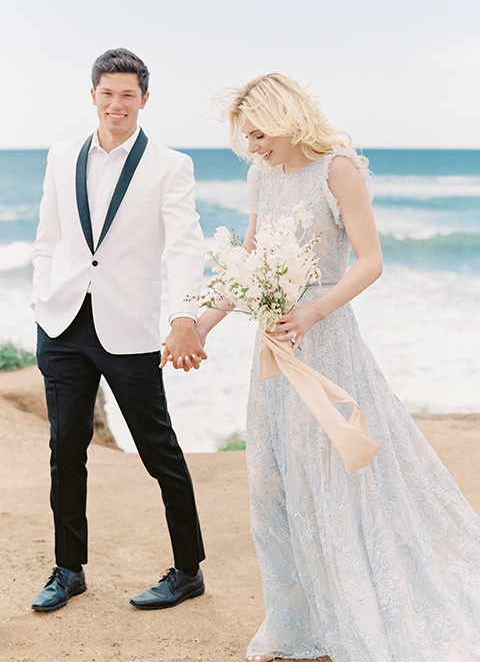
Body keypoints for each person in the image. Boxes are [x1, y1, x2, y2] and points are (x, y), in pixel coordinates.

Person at [196, 73, 480, 662]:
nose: (253, 147)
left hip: (325, 342)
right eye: (246, 138)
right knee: (276, 481)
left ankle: (351, 612)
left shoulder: (337, 170)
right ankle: (293, 624)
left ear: (286, 118)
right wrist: (199, 324)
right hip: (273, 351)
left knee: (336, 478)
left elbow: (370, 261)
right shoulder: (260, 177)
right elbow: (248, 260)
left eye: (258, 134)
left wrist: (312, 311)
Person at [31, 48, 207, 613]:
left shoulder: (169, 164)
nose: (116, 104)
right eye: (107, 93)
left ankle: (187, 569)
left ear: (144, 100)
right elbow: (47, 237)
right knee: (65, 447)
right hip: (61, 325)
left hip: (128, 328)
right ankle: (68, 570)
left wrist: (184, 315)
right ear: (93, 97)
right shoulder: (62, 156)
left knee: (158, 449)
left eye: (127, 95)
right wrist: (41, 299)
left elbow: (185, 246)